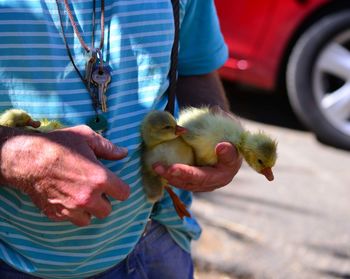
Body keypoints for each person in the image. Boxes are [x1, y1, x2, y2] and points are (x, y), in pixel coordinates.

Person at [0, 0, 242, 278]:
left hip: (154, 245)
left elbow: (194, 69)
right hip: (10, 258)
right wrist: (15, 157)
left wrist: (220, 139)